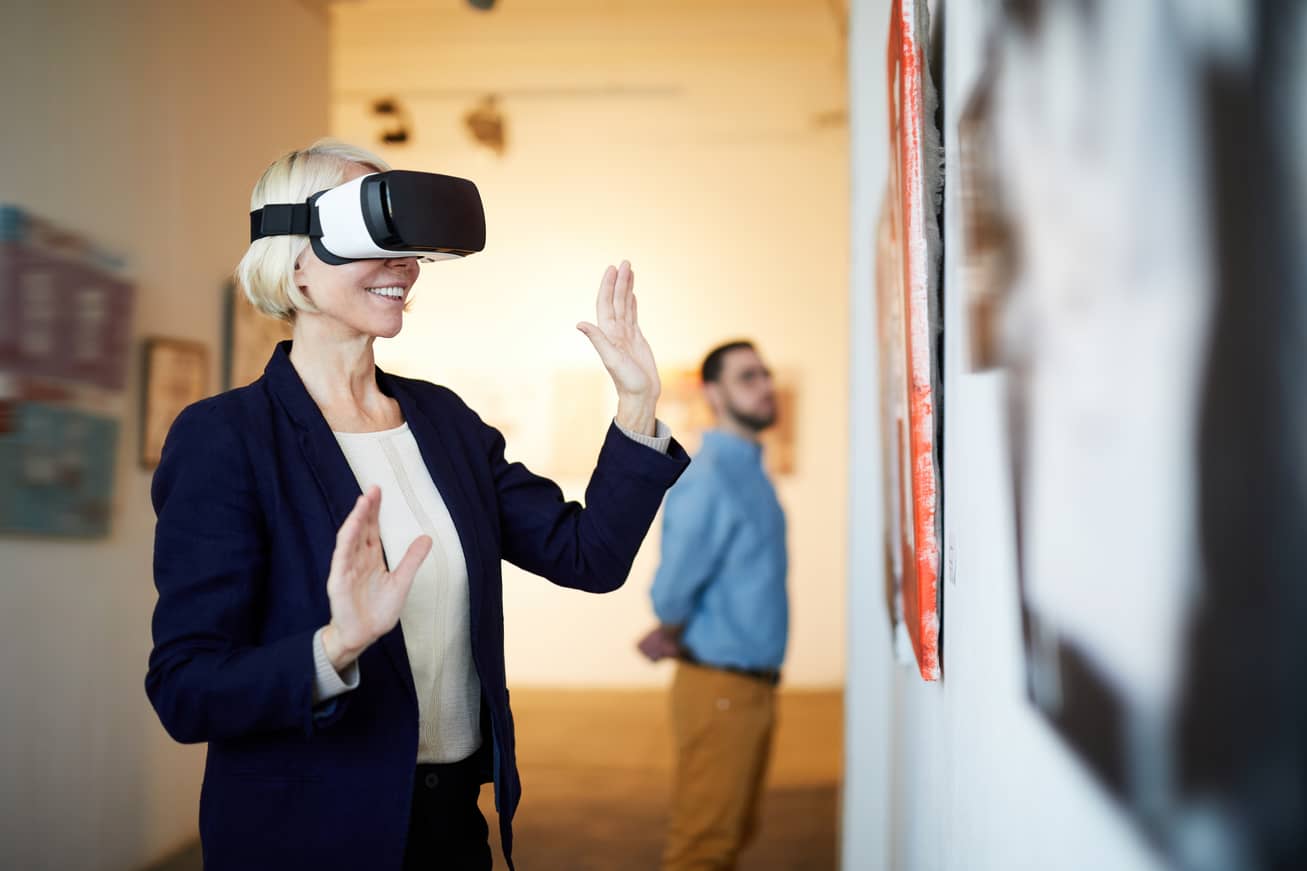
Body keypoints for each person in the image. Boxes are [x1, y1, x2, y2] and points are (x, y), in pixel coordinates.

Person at [145, 139, 688, 871]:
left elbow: (586, 555)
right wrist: (333, 647)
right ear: (293, 257)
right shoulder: (226, 439)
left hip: (448, 821)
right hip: (308, 832)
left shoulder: (443, 421)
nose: (403, 264)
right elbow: (186, 688)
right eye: (376, 236)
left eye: (408, 246)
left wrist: (635, 403)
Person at [637, 340, 788, 871]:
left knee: (731, 834)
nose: (766, 385)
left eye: (764, 373)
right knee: (704, 846)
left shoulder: (747, 471)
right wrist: (670, 625)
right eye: (748, 377)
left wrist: (670, 629)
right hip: (720, 687)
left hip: (749, 686)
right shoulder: (709, 479)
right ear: (714, 393)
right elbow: (672, 591)